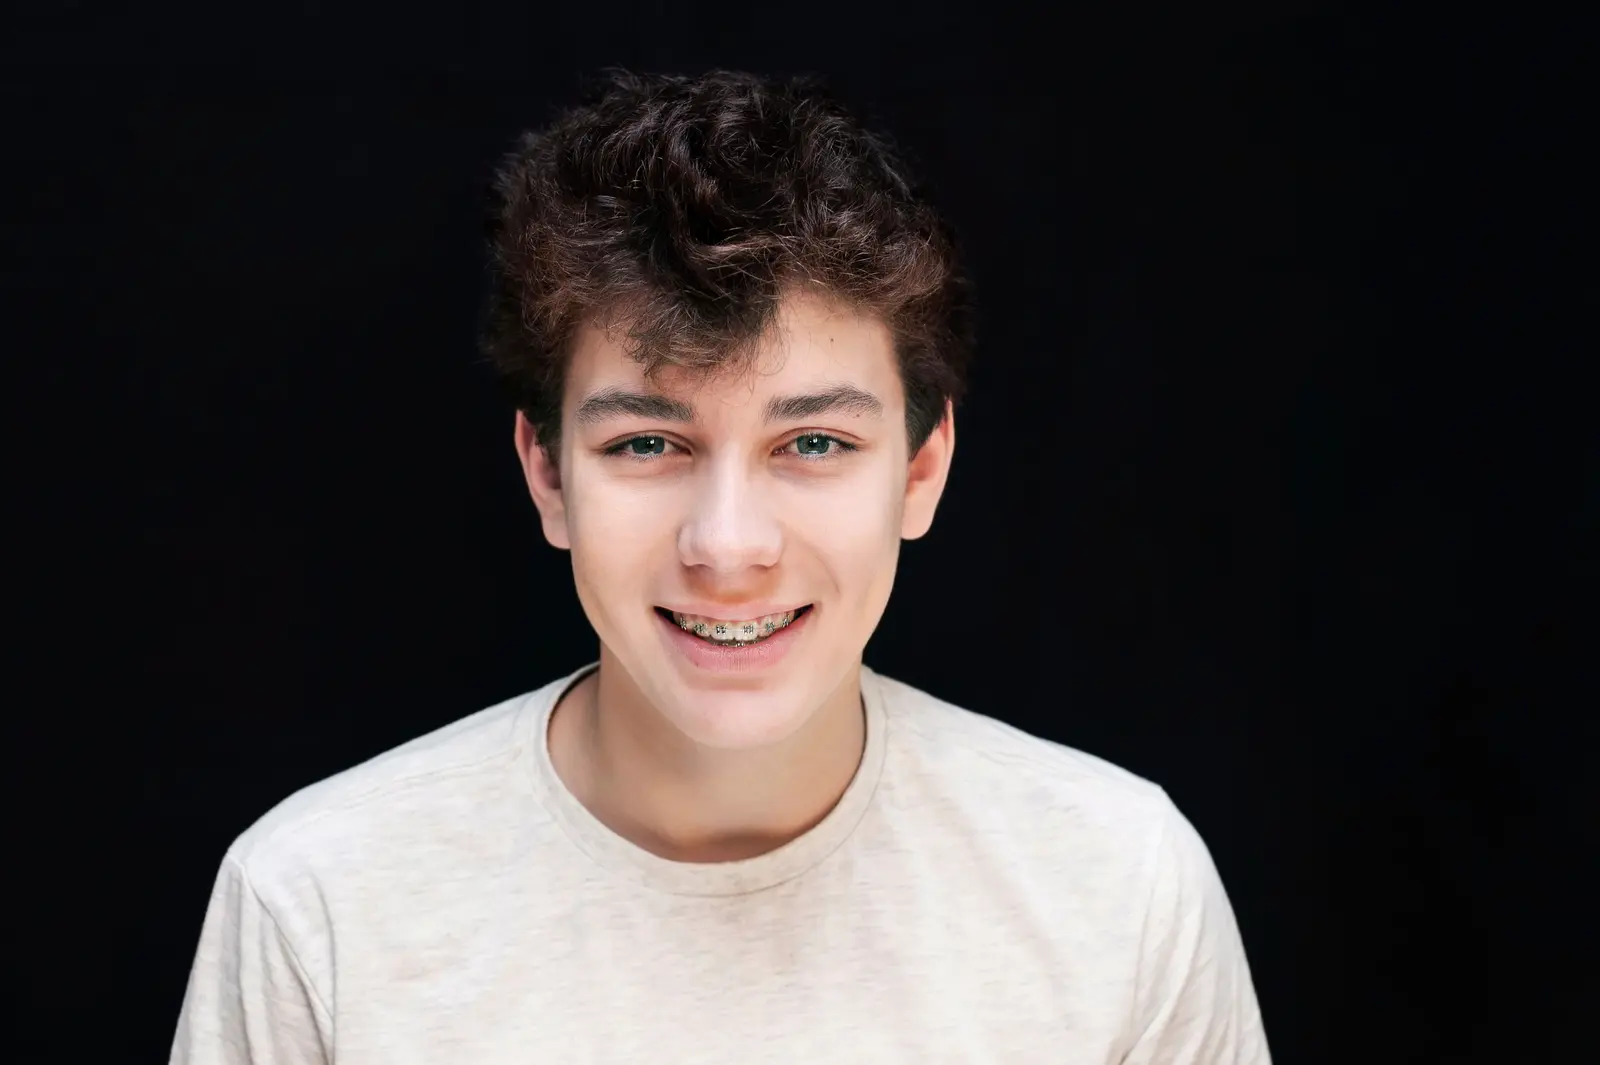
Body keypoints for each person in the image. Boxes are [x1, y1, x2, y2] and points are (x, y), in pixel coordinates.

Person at [171, 69, 1270, 1064]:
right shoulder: (315, 905)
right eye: (647, 445)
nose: (728, 546)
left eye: (813, 445)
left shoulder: (1119, 887)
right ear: (548, 475)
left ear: (921, 471)